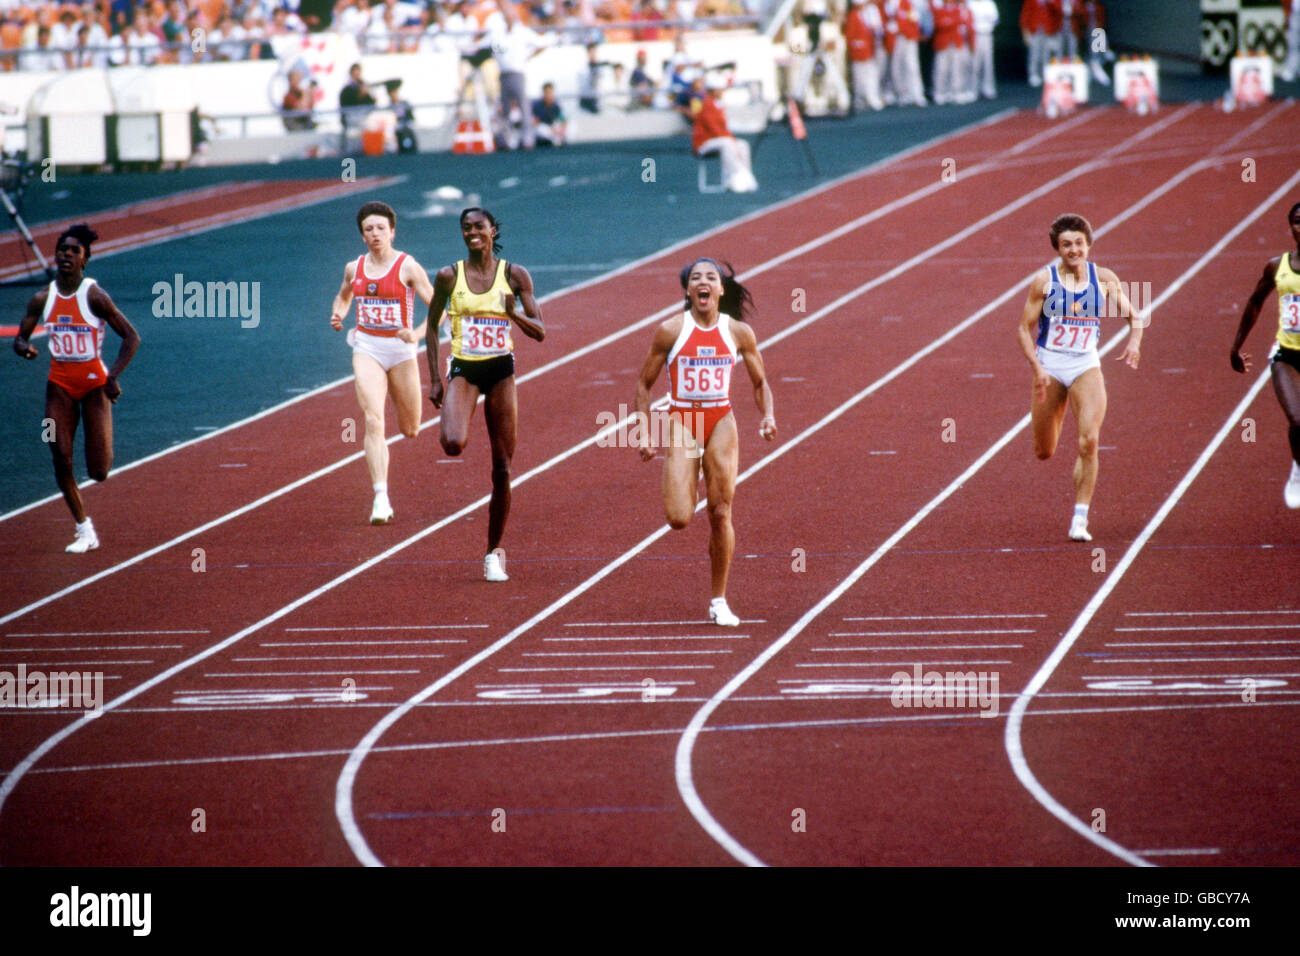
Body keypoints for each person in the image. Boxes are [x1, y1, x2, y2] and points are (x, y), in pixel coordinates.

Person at [634, 258, 776, 627]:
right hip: (684, 419)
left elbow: (760, 382)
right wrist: (646, 433)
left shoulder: (739, 333)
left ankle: (719, 600)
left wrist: (768, 416)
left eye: (710, 278)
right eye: (695, 278)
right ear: (687, 291)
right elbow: (643, 386)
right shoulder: (669, 330)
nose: (703, 283)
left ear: (720, 290)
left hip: (721, 420)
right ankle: (687, 476)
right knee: (679, 518)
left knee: (720, 512)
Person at [425, 208, 545, 581]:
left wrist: (514, 315)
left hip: (500, 372)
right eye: (466, 228)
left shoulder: (515, 275)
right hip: (464, 368)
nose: (472, 233)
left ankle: (493, 553)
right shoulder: (449, 276)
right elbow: (430, 328)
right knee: (452, 443)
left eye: (478, 227)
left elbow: (540, 331)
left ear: (493, 230)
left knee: (503, 469)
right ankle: (454, 407)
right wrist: (434, 379)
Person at [11, 224, 141, 553]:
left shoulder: (94, 296)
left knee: (98, 471)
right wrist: (23, 346)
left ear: (85, 259)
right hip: (59, 385)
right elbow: (20, 337)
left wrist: (112, 377)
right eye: (62, 249)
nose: (66, 255)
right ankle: (84, 529)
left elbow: (131, 336)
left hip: (94, 384)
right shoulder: (43, 298)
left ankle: (93, 489)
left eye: (74, 251)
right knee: (59, 454)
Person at [1016, 213, 1142, 542]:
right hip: (1051, 366)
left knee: (1090, 441)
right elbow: (1022, 329)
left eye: (1079, 243)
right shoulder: (1044, 282)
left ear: (1089, 245)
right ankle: (1071, 460)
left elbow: (1135, 316)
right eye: (1066, 245)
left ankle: (1080, 519)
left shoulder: (1104, 278)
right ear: (1057, 249)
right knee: (1044, 451)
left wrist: (1134, 343)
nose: (1074, 250)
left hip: (1086, 365)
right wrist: (1037, 368)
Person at [330, 201, 434, 524]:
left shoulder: (408, 267)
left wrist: (415, 334)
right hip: (367, 347)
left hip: (401, 352)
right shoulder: (354, 267)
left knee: (411, 428)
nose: (375, 234)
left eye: (380, 228)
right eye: (368, 230)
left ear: (392, 231)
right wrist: (339, 314)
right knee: (373, 420)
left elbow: (439, 307)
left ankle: (383, 492)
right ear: (362, 236)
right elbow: (344, 294)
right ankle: (380, 498)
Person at [1229, 201, 1300, 509]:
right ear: (1290, 227)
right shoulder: (1277, 266)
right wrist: (1236, 346)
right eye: (1297, 220)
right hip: (1287, 355)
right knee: (1298, 420)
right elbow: (1254, 302)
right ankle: (1298, 470)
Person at [683, 75, 758, 193]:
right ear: (712, 91)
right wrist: (731, 141)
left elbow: (724, 129)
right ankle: (735, 176)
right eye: (719, 89)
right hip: (703, 143)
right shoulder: (707, 105)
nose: (722, 91)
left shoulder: (718, 105)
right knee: (727, 143)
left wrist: (733, 141)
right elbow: (714, 129)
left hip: (717, 140)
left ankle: (746, 176)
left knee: (742, 145)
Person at [531, 81, 566, 145]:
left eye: (550, 92)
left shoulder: (556, 105)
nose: (549, 94)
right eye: (547, 92)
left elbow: (563, 120)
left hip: (554, 128)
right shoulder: (537, 105)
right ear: (543, 93)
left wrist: (562, 130)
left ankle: (558, 140)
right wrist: (552, 130)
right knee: (541, 130)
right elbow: (535, 122)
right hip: (545, 129)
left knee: (572, 127)